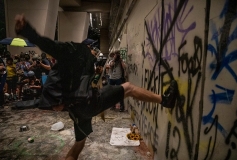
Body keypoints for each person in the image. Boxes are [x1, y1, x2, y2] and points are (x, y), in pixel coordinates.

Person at [15, 14, 179, 160]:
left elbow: (81, 84)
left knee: (78, 145)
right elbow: (49, 45)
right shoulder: (72, 52)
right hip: (86, 104)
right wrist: (27, 31)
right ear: (86, 48)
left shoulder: (73, 67)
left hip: (77, 112)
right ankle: (165, 100)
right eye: (93, 50)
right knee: (128, 88)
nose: (94, 53)